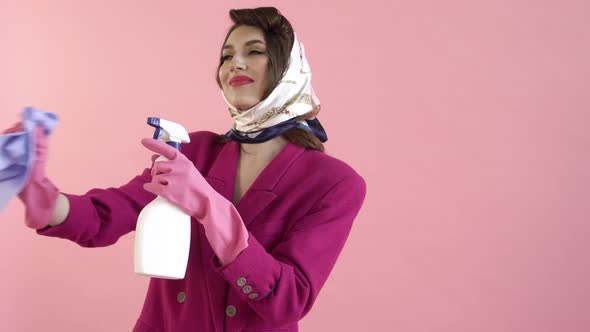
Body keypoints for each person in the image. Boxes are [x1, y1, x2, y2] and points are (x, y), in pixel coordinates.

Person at [5, 7, 366, 332]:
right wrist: (40, 192)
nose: (234, 65)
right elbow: (104, 217)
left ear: (289, 69)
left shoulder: (334, 184)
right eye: (226, 56)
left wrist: (209, 206)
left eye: (253, 51)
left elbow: (288, 300)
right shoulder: (193, 152)